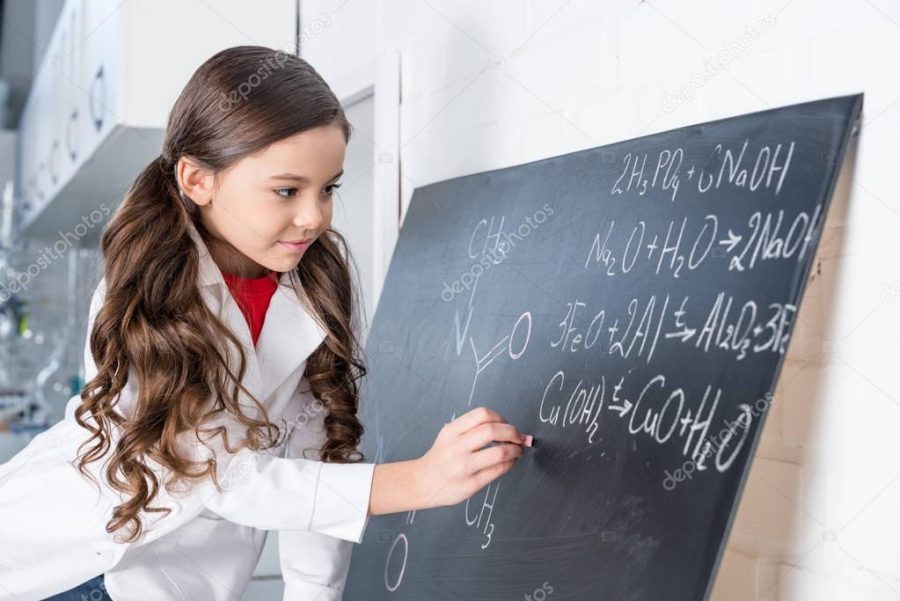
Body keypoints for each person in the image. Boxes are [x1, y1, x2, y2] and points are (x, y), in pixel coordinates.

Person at [0, 45, 532, 601]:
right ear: (198, 181)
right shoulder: (141, 287)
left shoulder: (316, 287)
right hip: (49, 565)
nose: (314, 216)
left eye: (328, 188)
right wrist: (415, 482)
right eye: (287, 190)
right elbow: (203, 471)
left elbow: (317, 452)